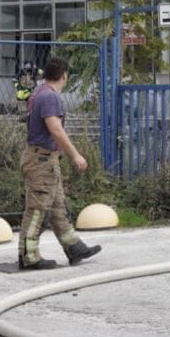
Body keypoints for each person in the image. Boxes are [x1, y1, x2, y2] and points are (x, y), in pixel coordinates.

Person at [18, 57, 102, 270]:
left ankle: (74, 247)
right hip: (42, 159)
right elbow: (55, 128)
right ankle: (29, 256)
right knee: (37, 209)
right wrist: (75, 155)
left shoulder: (40, 92)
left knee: (57, 207)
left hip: (45, 158)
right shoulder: (50, 97)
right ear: (64, 75)